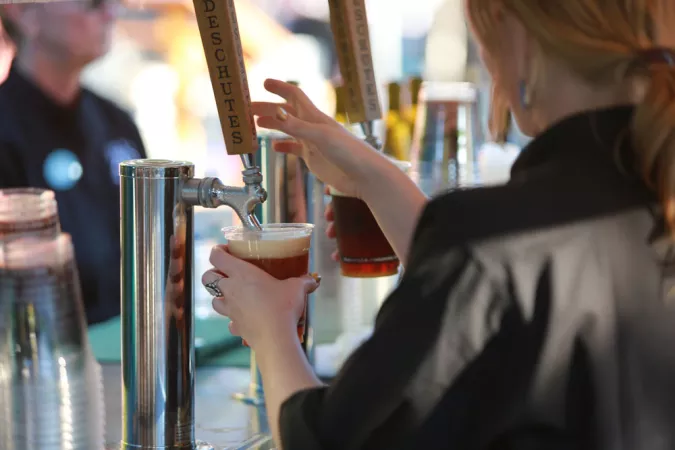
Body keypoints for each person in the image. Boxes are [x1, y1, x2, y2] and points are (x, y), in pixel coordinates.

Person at [203, 0, 675, 448]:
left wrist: (270, 327)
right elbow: (496, 294)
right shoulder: (637, 192)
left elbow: (329, 440)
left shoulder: (494, 241)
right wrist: (373, 175)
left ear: (518, 40)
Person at [0, 1, 146, 325]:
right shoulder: (7, 132)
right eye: (93, 3)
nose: (110, 14)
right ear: (24, 13)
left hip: (129, 339)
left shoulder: (116, 123)